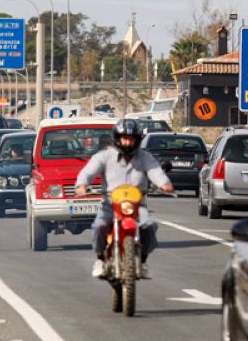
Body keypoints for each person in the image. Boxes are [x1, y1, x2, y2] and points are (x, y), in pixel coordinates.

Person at [75, 119, 174, 279]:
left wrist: (164, 184)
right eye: (124, 138)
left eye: (131, 138)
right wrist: (82, 185)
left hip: (137, 205)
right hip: (111, 204)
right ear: (117, 138)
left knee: (150, 225)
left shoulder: (144, 157)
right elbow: (88, 171)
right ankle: (100, 259)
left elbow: (156, 171)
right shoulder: (105, 156)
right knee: (99, 225)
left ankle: (142, 262)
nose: (127, 142)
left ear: (137, 140)